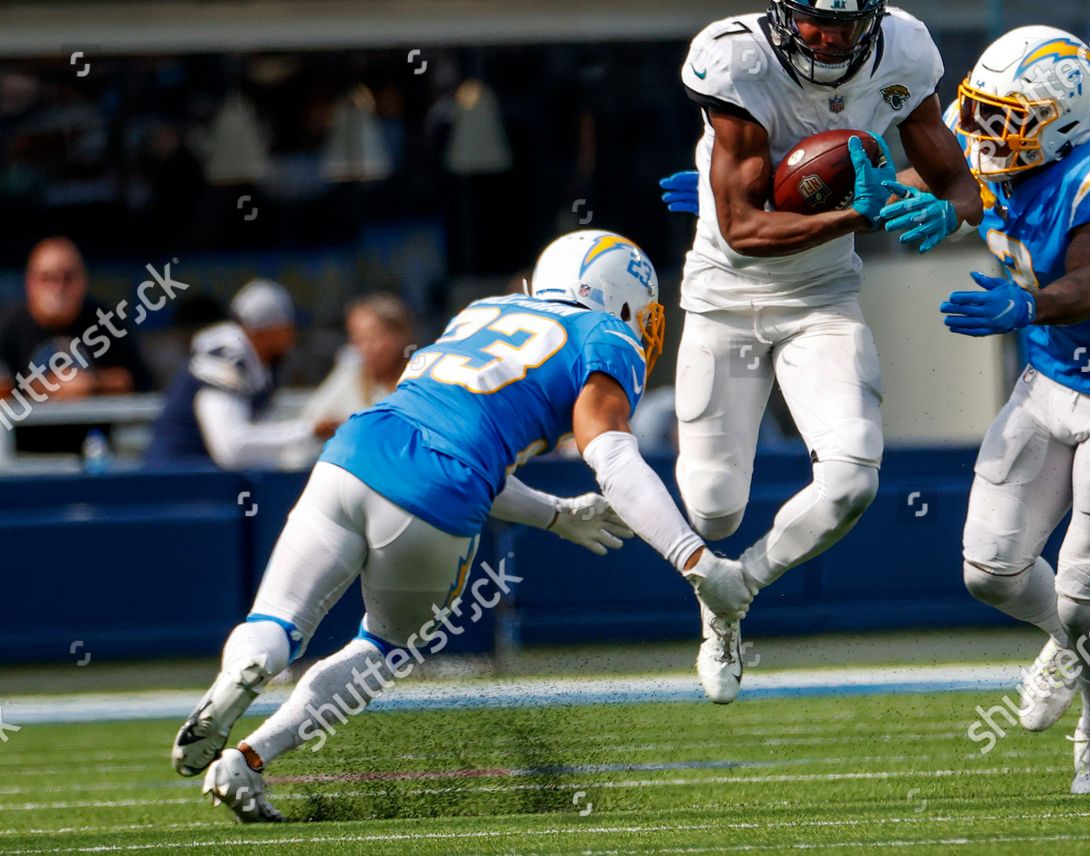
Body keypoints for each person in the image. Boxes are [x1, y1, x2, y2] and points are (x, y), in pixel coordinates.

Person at [170, 230, 752, 822]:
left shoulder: (484, 312)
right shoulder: (606, 337)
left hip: (358, 447)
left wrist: (555, 514)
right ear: (619, 294)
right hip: (437, 493)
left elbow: (451, 434)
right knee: (383, 648)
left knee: (277, 622)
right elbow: (613, 461)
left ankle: (237, 679)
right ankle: (250, 757)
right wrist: (693, 559)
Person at [669, 0, 981, 703]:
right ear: (781, 7)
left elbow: (956, 176)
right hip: (724, 296)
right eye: (813, 21)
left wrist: (953, 212)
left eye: (847, 25)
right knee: (710, 509)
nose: (831, 42)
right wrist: (862, 214)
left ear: (875, 13)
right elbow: (741, 230)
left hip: (822, 296)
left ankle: (734, 596)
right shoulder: (735, 60)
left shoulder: (905, 51)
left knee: (852, 479)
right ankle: (720, 577)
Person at [911, 25, 1090, 793]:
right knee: (990, 572)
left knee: (1083, 594)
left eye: (1006, 119)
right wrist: (874, 199)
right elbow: (952, 185)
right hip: (1047, 385)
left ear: (1060, 120)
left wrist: (1025, 305)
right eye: (983, 113)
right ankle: (1069, 640)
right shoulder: (1002, 149)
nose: (983, 133)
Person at [146, 280, 337, 469]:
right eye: (286, 325)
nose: (292, 332)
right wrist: (307, 431)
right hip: (178, 479)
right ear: (267, 329)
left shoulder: (264, 363)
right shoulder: (225, 357)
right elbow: (231, 450)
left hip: (210, 482)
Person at [0, 237, 153, 452]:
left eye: (68, 277)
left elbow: (136, 380)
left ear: (83, 281)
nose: (58, 287)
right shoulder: (8, 328)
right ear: (30, 283)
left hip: (96, 452)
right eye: (48, 278)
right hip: (22, 455)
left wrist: (92, 383)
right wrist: (47, 386)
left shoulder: (105, 322)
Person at [301, 293, 414, 424]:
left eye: (373, 338)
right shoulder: (352, 374)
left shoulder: (420, 380)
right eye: (357, 339)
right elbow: (313, 420)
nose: (365, 348)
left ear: (400, 335)